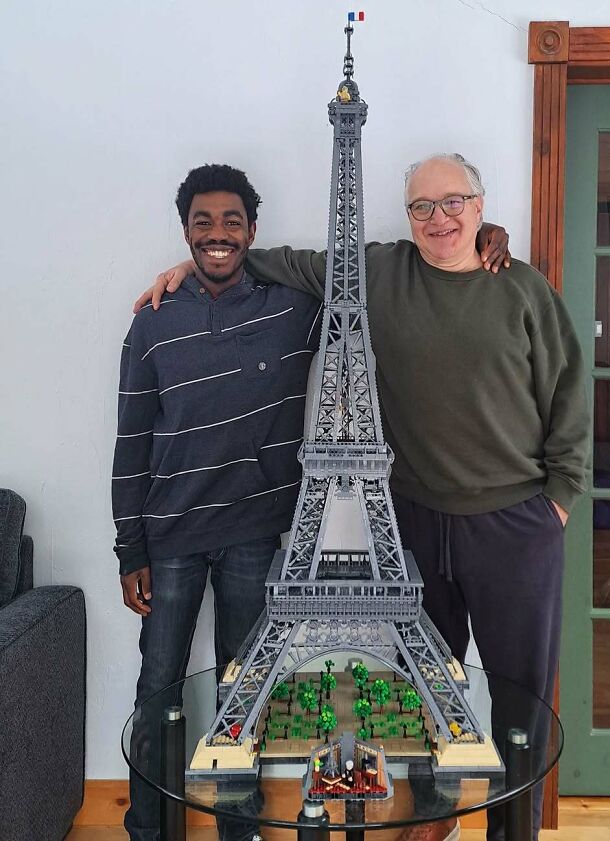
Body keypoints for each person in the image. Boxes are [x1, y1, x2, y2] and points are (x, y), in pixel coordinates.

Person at [139, 153, 589, 841]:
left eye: (454, 202)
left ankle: (513, 835)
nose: (439, 218)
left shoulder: (522, 288)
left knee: (519, 700)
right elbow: (290, 263)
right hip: (417, 516)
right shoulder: (381, 270)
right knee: (429, 690)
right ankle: (432, 820)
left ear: (480, 204)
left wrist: (556, 499)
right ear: (407, 215)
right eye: (422, 207)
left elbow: (570, 398)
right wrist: (196, 269)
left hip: (512, 523)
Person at [112, 163, 324, 841]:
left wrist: (484, 235)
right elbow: (132, 437)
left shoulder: (292, 307)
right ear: (185, 231)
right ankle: (150, 826)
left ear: (253, 230)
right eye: (202, 222)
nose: (217, 234)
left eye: (231, 220)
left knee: (244, 689)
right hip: (169, 531)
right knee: (158, 687)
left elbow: (359, 282)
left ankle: (241, 828)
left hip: (255, 530)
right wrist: (129, 547)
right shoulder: (151, 322)